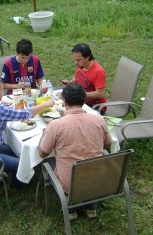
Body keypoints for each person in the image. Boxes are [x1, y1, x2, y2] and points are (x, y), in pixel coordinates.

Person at [38, 83, 111, 220]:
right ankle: (90, 207)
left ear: (64, 102)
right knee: (86, 168)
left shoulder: (56, 125)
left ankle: (71, 208)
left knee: (51, 162)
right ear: (84, 101)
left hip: (69, 184)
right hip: (97, 179)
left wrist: (44, 135)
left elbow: (42, 153)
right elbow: (107, 144)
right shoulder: (99, 120)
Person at [0, 79, 54, 195]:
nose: (3, 93)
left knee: (13, 150)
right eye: (1, 90)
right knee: (25, 165)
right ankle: (16, 184)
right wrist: (46, 104)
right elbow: (26, 113)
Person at [60, 43, 106, 109]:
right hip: (81, 102)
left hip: (94, 106)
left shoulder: (98, 72)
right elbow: (77, 77)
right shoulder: (81, 65)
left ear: (87, 57)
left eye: (78, 60)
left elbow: (100, 94)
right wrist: (70, 82)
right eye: (75, 60)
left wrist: (80, 94)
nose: (76, 63)